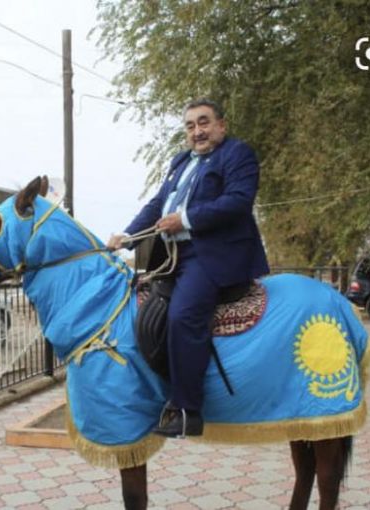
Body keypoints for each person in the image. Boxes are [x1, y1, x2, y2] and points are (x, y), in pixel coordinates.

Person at [108, 99, 269, 437]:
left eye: (204, 123)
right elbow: (156, 205)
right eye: (191, 126)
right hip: (173, 257)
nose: (198, 131)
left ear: (221, 126)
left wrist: (184, 219)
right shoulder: (180, 161)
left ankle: (187, 410)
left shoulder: (237, 154)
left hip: (213, 255)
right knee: (142, 306)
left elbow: (239, 201)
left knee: (183, 315)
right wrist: (128, 237)